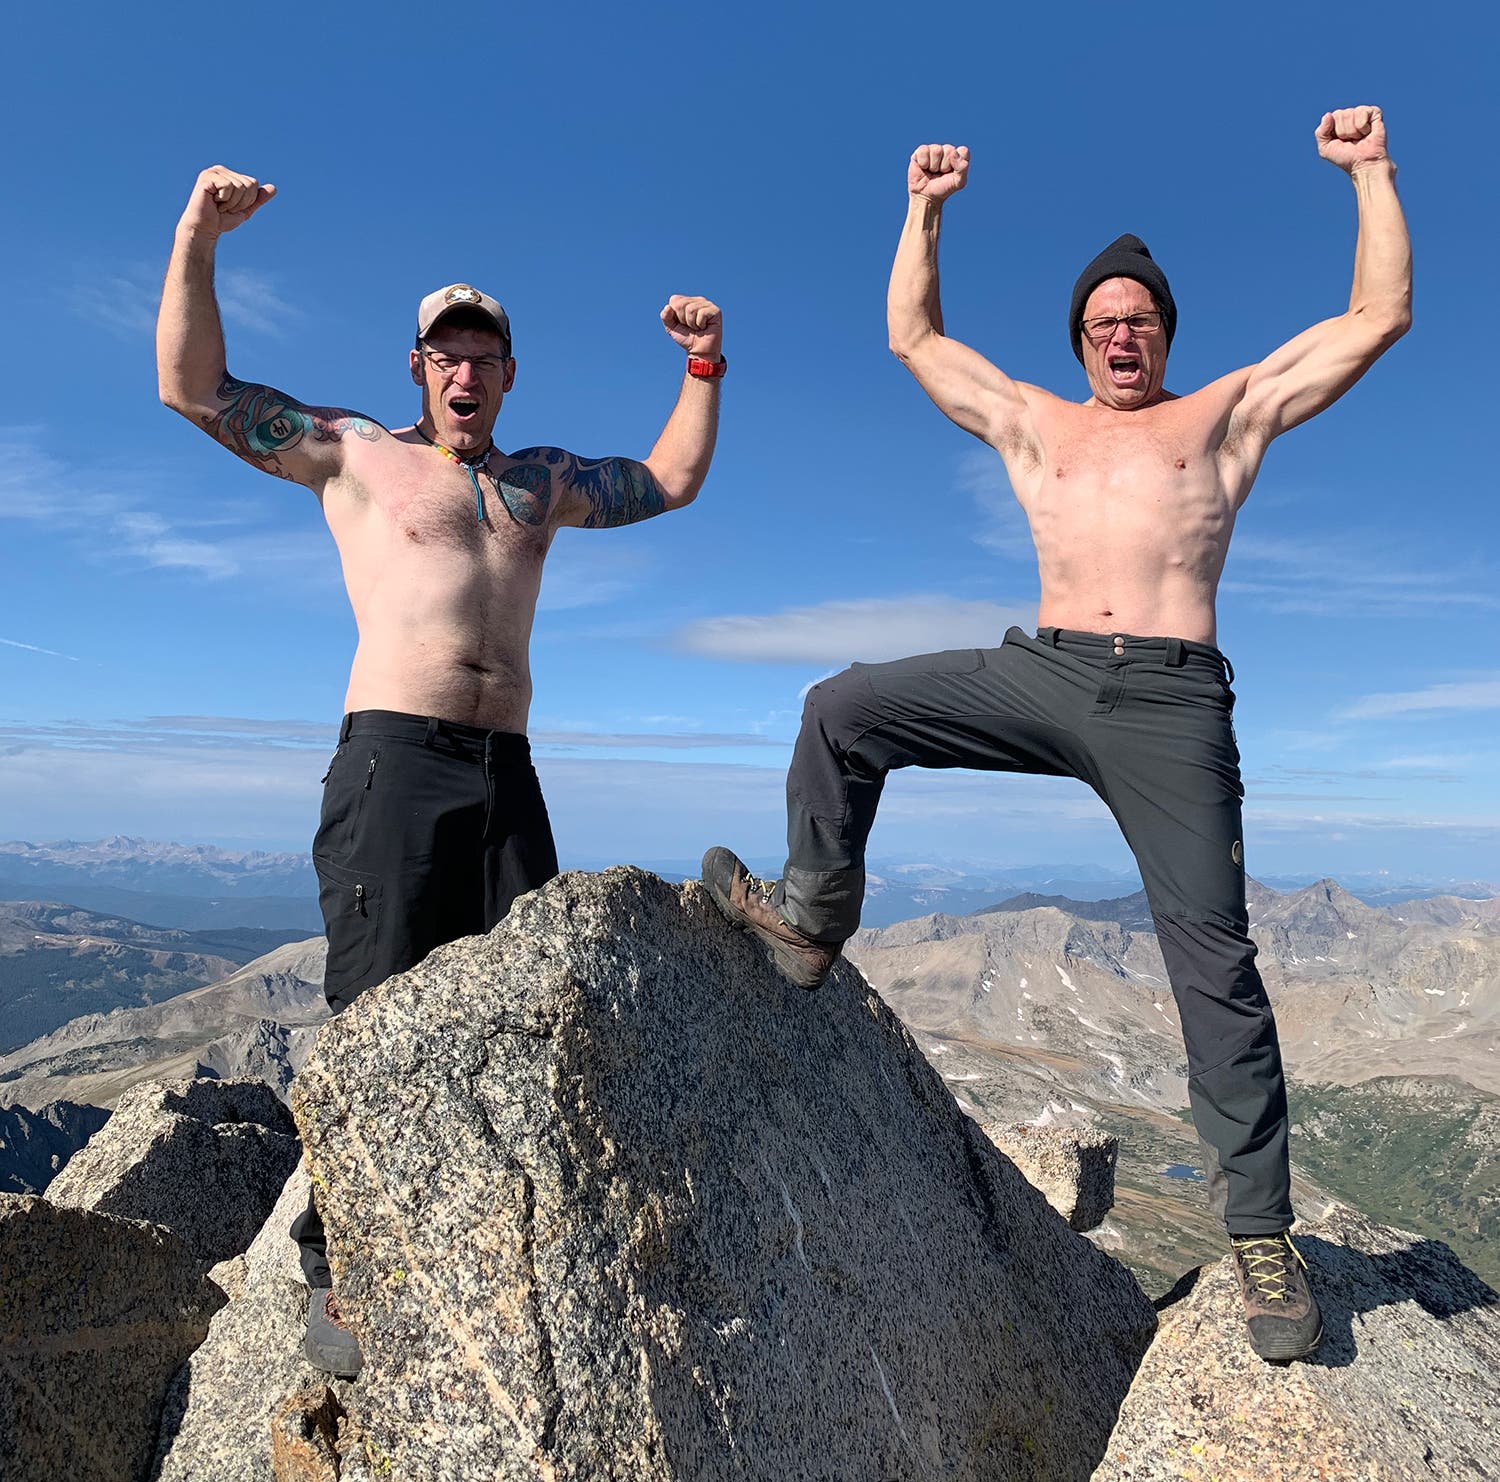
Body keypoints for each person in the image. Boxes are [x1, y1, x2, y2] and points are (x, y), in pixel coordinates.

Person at [701, 106, 1409, 1362]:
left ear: (1166, 336)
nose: (1120, 334)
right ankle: (811, 921)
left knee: (1214, 960)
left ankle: (1258, 1233)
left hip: (1174, 699)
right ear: (1079, 338)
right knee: (842, 708)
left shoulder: (1224, 418)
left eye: (1139, 318)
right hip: (1042, 673)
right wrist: (923, 213)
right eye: (1101, 320)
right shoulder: (1037, 423)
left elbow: (1373, 319)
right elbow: (911, 335)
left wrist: (1370, 172)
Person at [157, 165, 724, 1375]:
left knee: (521, 1002)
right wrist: (199, 235)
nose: (466, 373)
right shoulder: (356, 455)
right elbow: (191, 388)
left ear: (510, 374)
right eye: (445, 355)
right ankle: (341, 1266)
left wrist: (704, 365)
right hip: (395, 764)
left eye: (485, 356)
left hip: (505, 771)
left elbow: (668, 481)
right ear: (418, 368)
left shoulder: (539, 484)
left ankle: (489, 1215)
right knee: (374, 1013)